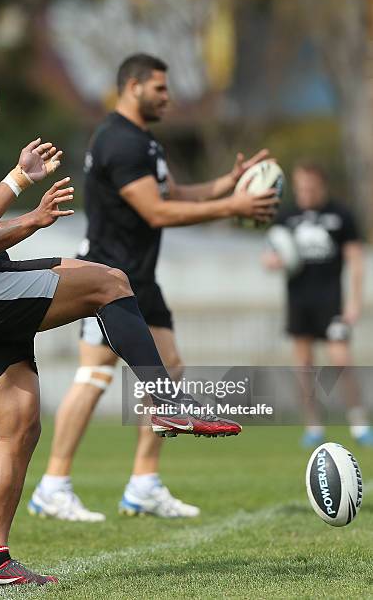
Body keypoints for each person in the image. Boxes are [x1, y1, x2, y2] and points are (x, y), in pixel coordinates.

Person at [0, 69, 246, 588]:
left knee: (17, 427)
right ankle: (166, 403)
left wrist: (19, 177)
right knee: (109, 281)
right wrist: (34, 220)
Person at [28, 53, 278, 523]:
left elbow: (173, 195)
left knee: (170, 371)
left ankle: (143, 483)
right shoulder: (118, 141)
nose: (168, 96)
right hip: (108, 277)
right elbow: (156, 212)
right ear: (133, 86)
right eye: (160, 88)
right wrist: (235, 206)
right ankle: (52, 485)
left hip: (142, 276)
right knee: (96, 375)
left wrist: (227, 186)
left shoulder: (145, 142)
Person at [262, 162, 373, 447]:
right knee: (304, 366)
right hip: (299, 302)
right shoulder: (286, 216)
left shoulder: (340, 215)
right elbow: (269, 254)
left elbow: (356, 261)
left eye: (310, 188)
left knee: (341, 361)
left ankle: (359, 422)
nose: (305, 193)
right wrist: (273, 261)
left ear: (321, 186)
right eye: (300, 188)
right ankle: (313, 425)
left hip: (332, 302)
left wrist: (354, 303)